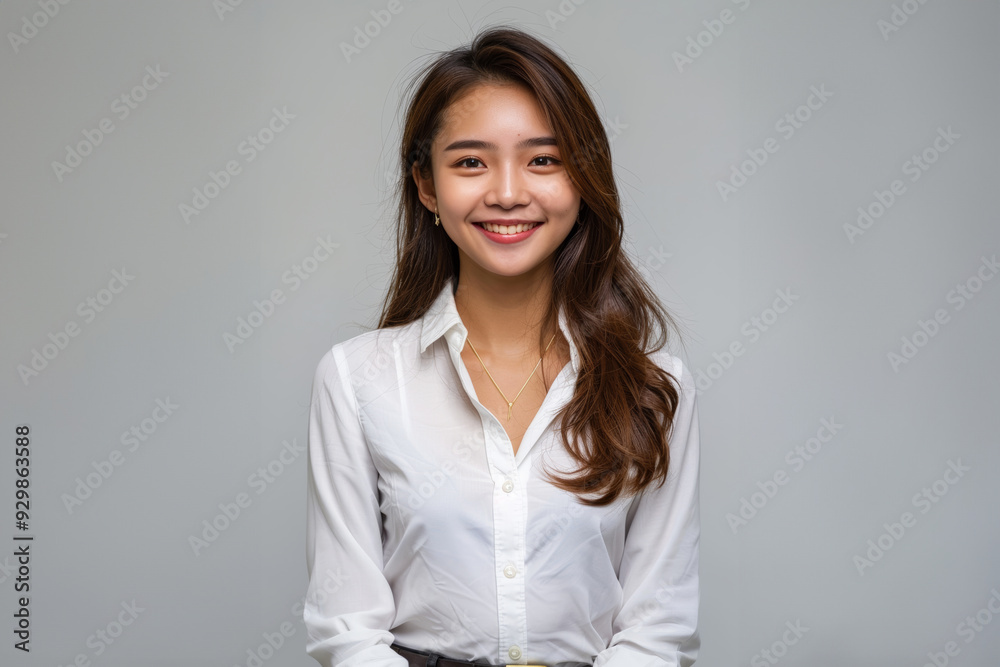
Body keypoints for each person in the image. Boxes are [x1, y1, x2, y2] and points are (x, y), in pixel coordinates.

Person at [304, 25, 701, 667]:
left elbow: (657, 629)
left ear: (582, 179)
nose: (509, 192)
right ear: (427, 187)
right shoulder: (357, 380)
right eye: (470, 162)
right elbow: (346, 629)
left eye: (543, 159)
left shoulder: (658, 391)